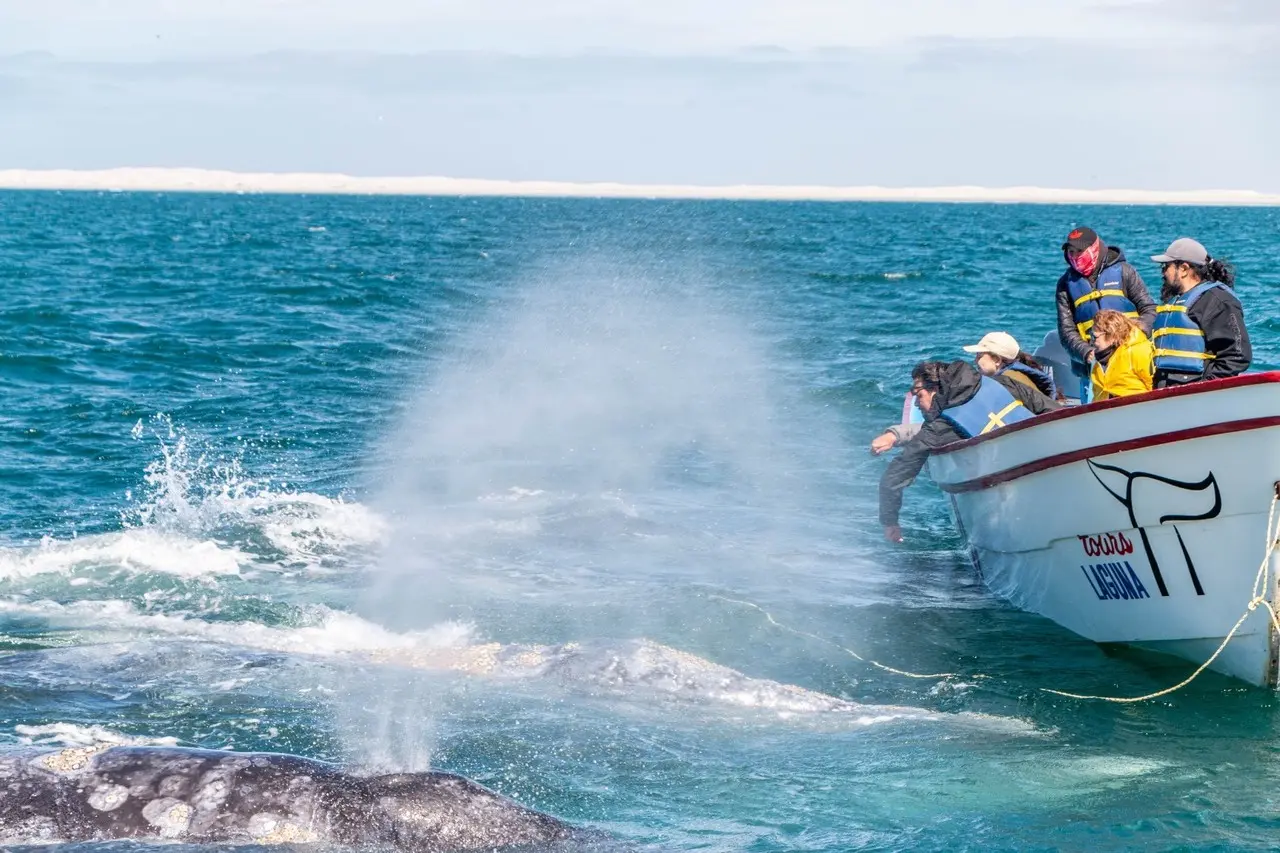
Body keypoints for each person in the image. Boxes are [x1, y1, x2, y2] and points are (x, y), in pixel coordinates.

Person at [879, 360, 1060, 543]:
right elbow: (1054, 413)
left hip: (1015, 502)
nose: (917, 403)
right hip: (1053, 473)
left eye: (919, 394)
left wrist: (889, 522)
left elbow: (897, 474)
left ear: (935, 389)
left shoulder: (940, 428)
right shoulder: (1001, 383)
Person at [1055, 227, 1156, 401]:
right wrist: (1086, 353)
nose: (1075, 256)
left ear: (1095, 248)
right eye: (1071, 252)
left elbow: (1149, 310)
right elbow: (1066, 332)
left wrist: (1133, 339)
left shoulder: (1125, 272)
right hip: (1092, 370)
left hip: (1130, 366)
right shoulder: (1065, 285)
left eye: (1080, 251)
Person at [1150, 238, 1251, 387]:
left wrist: (1206, 386)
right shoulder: (1174, 301)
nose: (1163, 273)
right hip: (1167, 392)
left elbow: (1237, 356)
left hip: (1197, 394)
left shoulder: (1218, 301)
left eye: (1166, 266)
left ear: (1184, 269)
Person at [962, 331, 1058, 400]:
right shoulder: (1016, 376)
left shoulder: (1007, 384)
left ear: (997, 360)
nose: (975, 361)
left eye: (979, 356)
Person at [1089, 309, 1153, 400]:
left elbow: (1154, 386)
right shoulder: (1099, 362)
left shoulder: (1138, 351)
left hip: (1134, 409)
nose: (1091, 342)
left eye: (1095, 337)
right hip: (1107, 411)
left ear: (1112, 336)